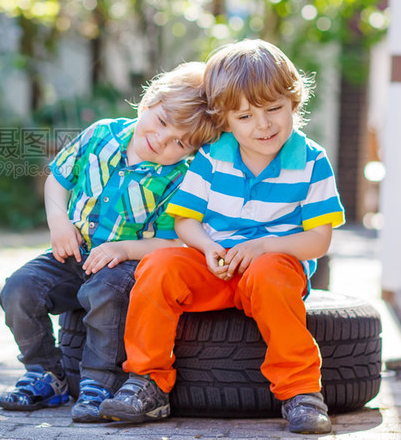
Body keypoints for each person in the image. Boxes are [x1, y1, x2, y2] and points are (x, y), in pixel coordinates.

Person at [98, 40, 345, 434]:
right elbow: (185, 223)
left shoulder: (311, 160)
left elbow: (318, 240)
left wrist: (264, 246)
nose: (262, 126)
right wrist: (208, 246)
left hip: (273, 268)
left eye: (274, 110)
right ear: (225, 119)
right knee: (159, 265)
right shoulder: (213, 155)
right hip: (213, 265)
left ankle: (301, 393)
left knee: (269, 275)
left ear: (294, 102)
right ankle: (148, 383)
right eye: (245, 116)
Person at [0, 62, 221, 423]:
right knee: (19, 289)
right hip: (74, 251)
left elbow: (172, 241)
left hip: (125, 264)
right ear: (148, 102)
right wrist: (59, 223)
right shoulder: (101, 135)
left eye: (179, 142)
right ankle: (45, 375)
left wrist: (124, 249)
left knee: (105, 296)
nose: (162, 140)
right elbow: (58, 179)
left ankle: (98, 385)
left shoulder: (180, 178)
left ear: (191, 150)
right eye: (163, 122)